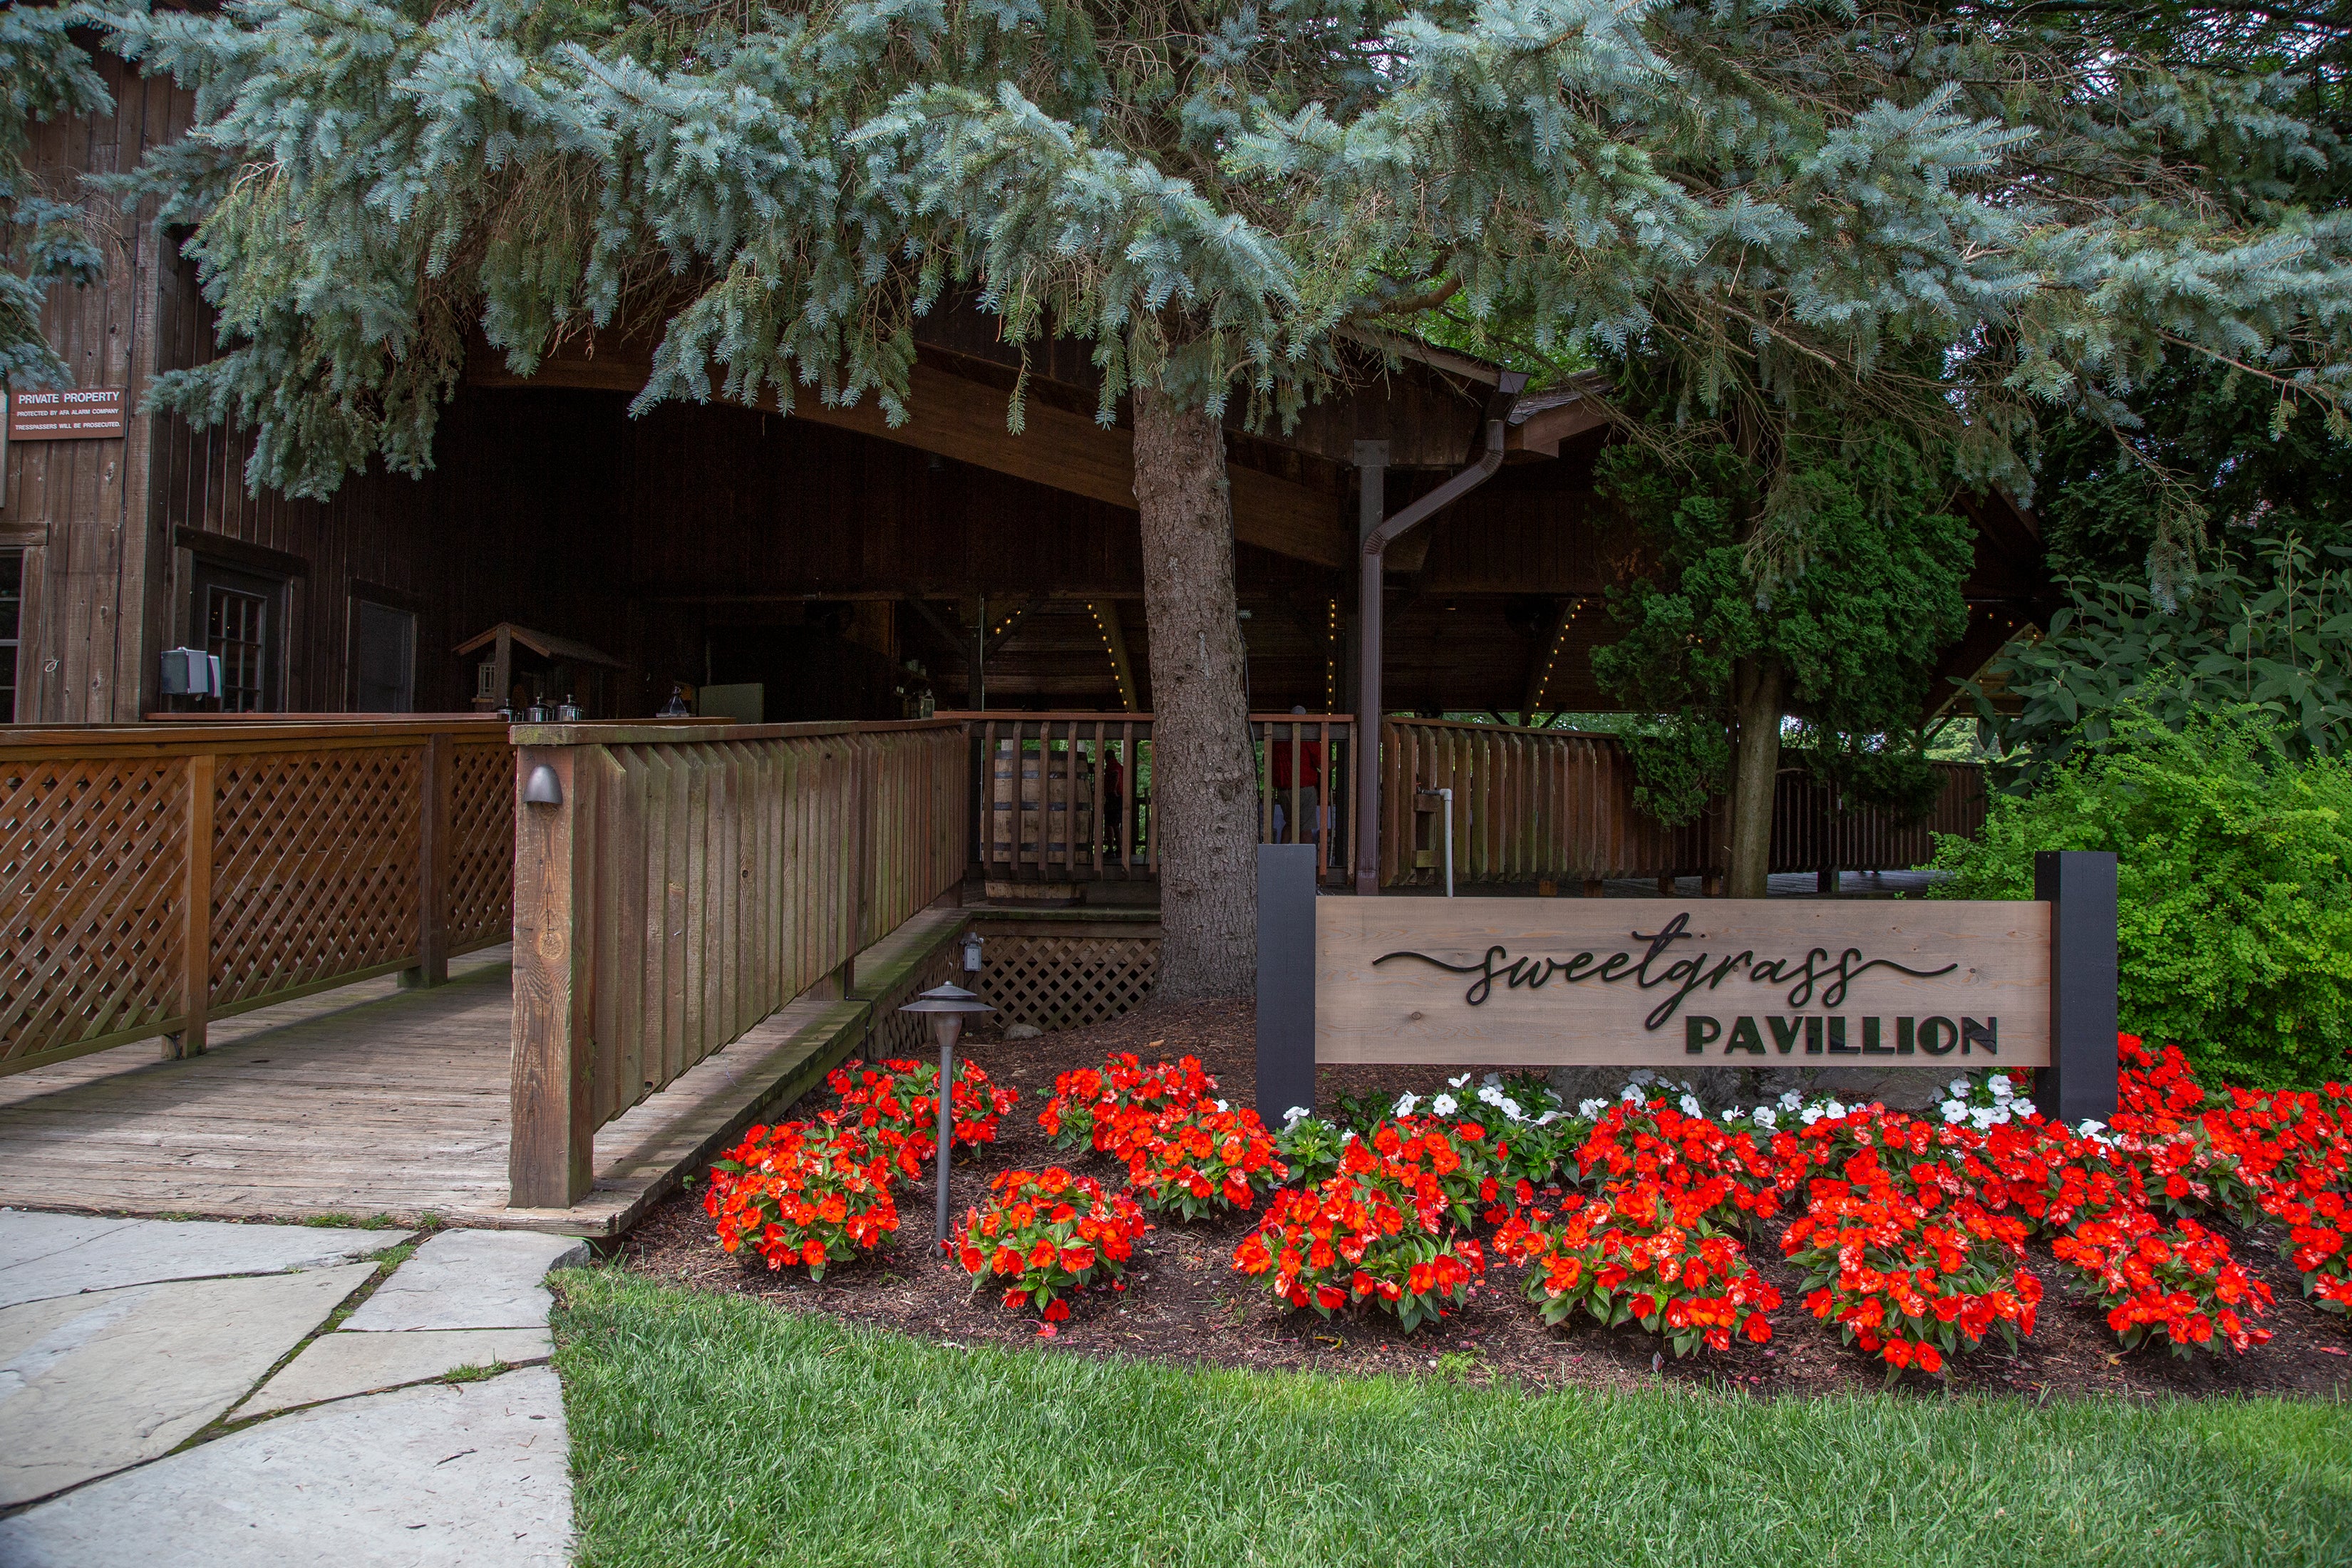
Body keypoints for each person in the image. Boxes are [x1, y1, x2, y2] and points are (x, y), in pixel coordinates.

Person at [1269, 704, 1324, 845]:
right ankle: (1306, 864)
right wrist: (1336, 763)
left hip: (1283, 791)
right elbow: (1321, 763)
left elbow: (1267, 760)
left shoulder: (1278, 739)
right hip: (1304, 789)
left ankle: (1282, 857)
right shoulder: (1307, 737)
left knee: (1291, 824)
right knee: (1305, 828)